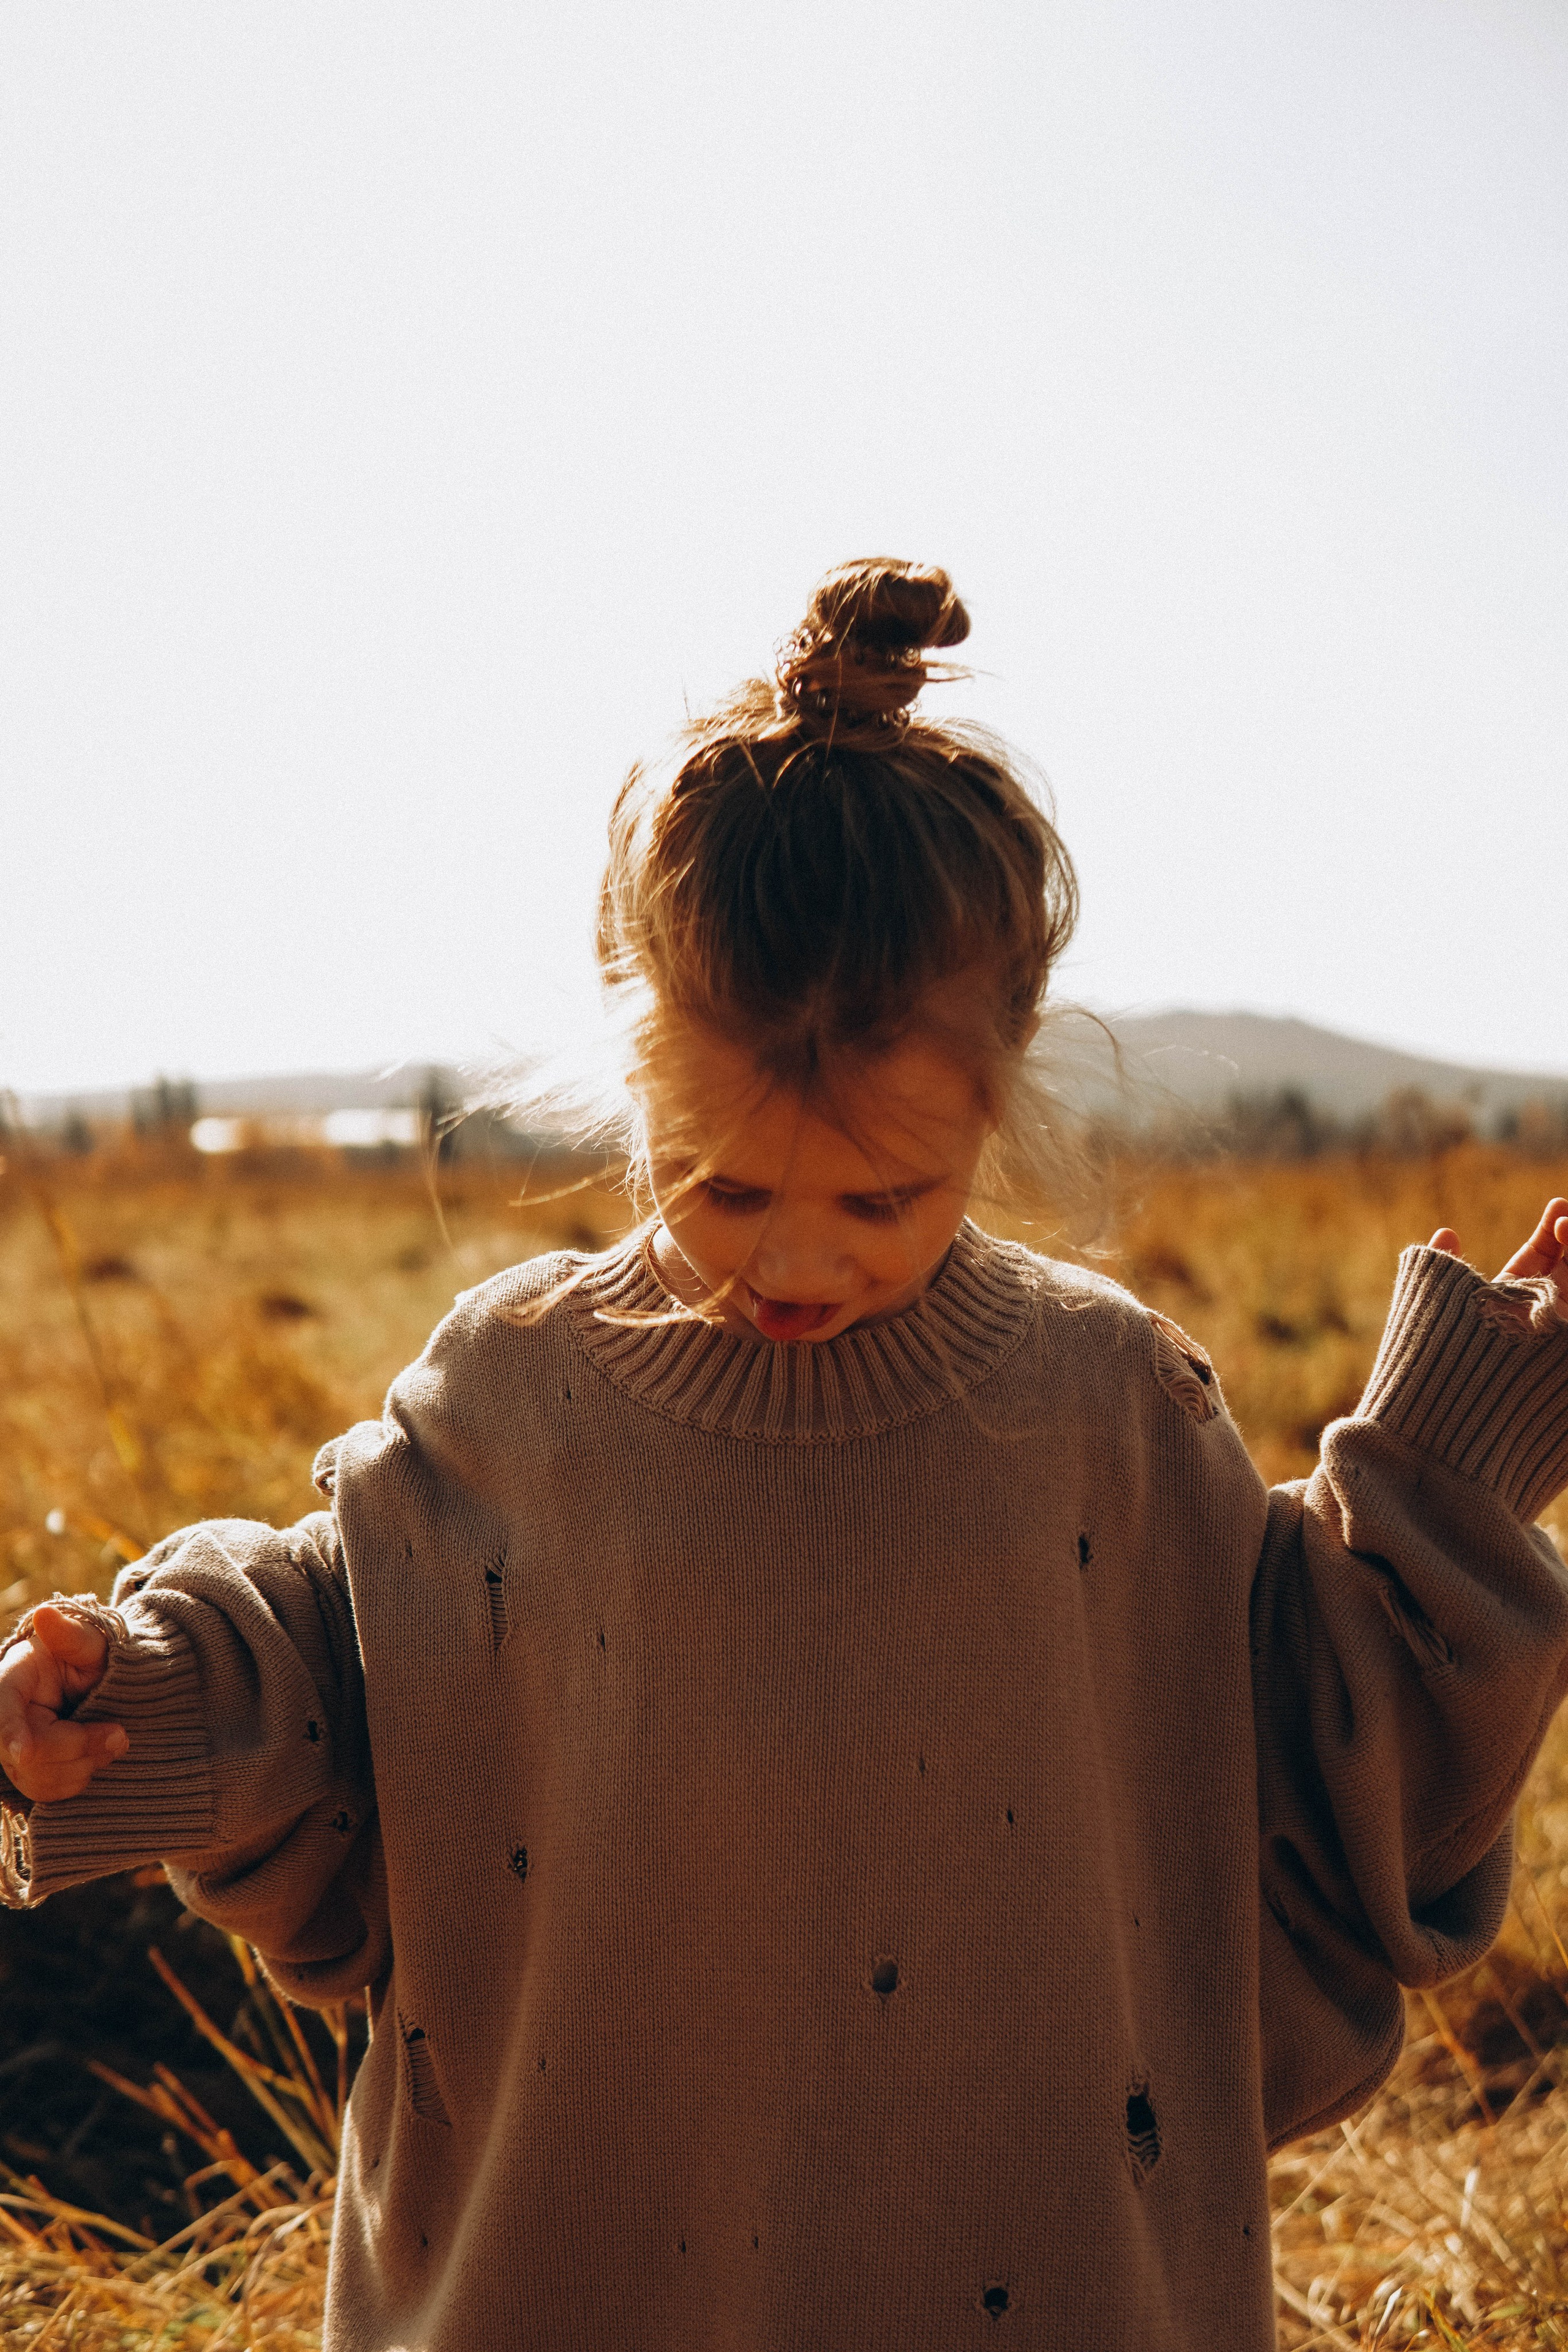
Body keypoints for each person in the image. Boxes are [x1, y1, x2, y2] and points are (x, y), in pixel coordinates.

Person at [3, 559, 1568, 2352]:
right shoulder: (516, 1389)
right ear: (630, 1061)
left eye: (884, 1198)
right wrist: (125, 1695)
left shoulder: (1105, 1401)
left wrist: (1456, 1445)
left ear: (1005, 1085)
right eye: (721, 1184)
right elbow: (332, 1655)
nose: (798, 1261)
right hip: (570, 2273)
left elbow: (1303, 1726)